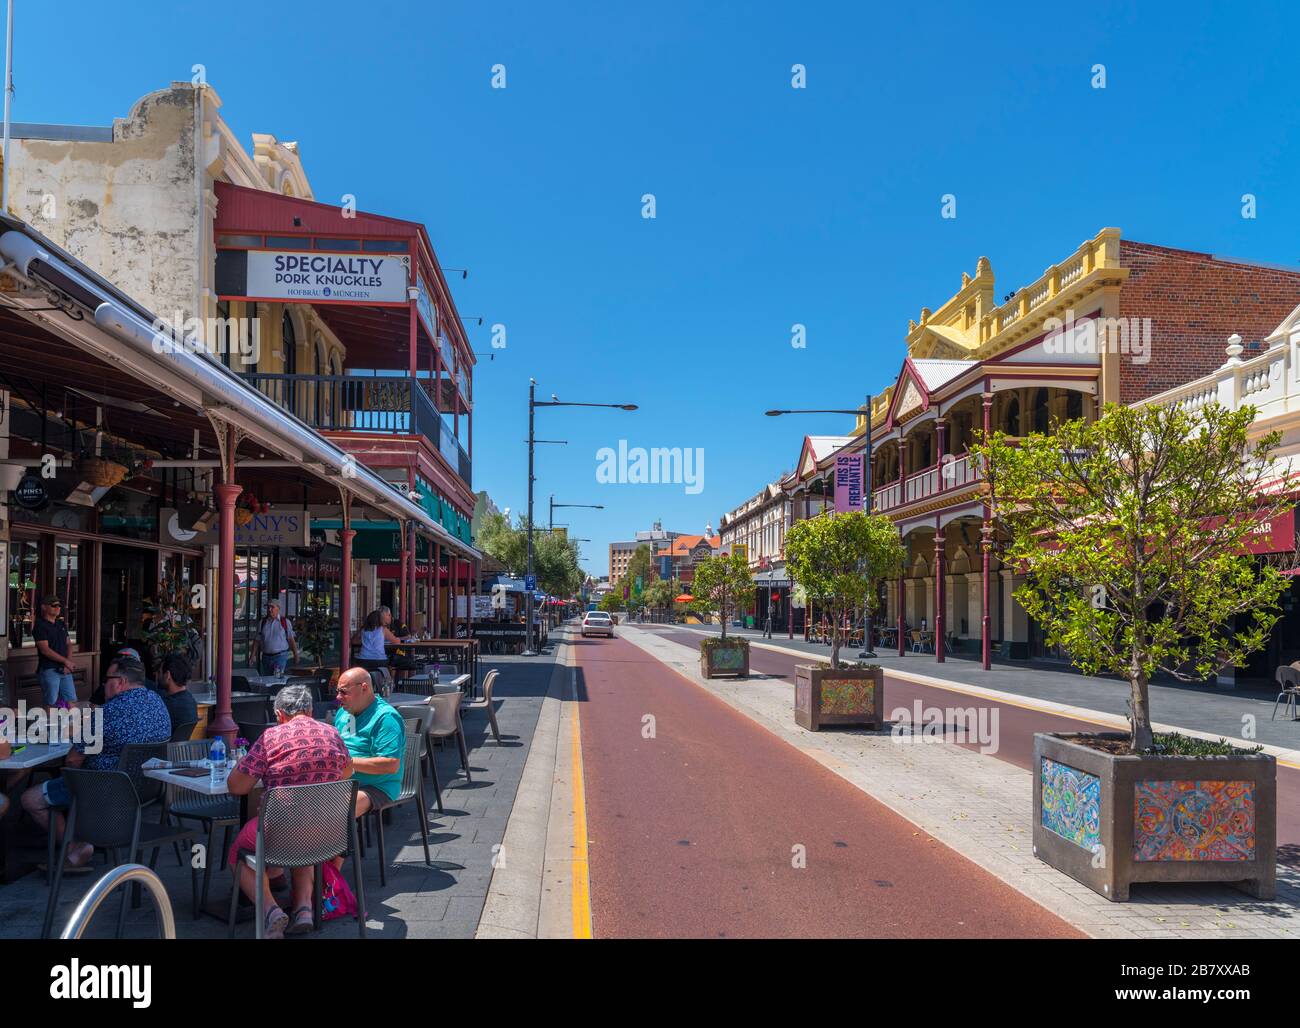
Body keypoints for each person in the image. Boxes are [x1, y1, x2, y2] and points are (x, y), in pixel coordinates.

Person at [20, 656, 170, 871]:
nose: (103, 684)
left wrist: (72, 785)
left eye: (106, 679)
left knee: (30, 799)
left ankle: (77, 848)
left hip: (104, 788)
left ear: (119, 682)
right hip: (147, 788)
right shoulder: (157, 702)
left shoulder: (108, 713)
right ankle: (85, 830)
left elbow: (73, 758)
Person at [226, 684, 352, 938]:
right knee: (302, 841)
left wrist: (245, 761)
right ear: (310, 709)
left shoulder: (271, 737)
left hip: (283, 830)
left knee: (237, 853)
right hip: (331, 833)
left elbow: (237, 787)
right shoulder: (332, 733)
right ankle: (304, 909)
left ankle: (271, 911)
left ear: (280, 715)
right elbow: (347, 773)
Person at [332, 667, 403, 832]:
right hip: (341, 780)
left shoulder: (386, 718)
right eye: (337, 691)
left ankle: (329, 857)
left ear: (364, 688)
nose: (338, 697)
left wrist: (348, 762)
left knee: (334, 812)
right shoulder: (343, 712)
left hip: (375, 786)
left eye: (343, 692)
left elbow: (390, 764)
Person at [33, 596, 77, 706]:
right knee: (51, 702)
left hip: (65, 669)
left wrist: (68, 663)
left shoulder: (60, 624)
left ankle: (71, 723)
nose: (57, 608)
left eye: (59, 605)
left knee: (71, 700)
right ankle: (49, 722)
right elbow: (45, 650)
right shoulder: (40, 626)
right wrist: (66, 662)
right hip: (49, 668)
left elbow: (69, 644)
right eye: (54, 605)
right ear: (44, 607)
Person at [253, 600, 299, 677]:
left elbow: (291, 639)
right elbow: (257, 640)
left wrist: (296, 655)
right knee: (267, 678)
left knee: (277, 678)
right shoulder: (263, 622)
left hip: (280, 656)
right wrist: (252, 655)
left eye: (272, 607)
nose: (269, 609)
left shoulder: (285, 622)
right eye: (268, 607)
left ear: (278, 608)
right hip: (266, 657)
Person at [157, 653, 198, 736]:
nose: (157, 675)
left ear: (168, 675)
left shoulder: (166, 704)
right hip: (181, 748)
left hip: (164, 748)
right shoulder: (190, 700)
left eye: (159, 672)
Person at [353, 608, 401, 674]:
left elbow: (354, 641)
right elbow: (396, 642)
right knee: (391, 664)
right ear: (380, 619)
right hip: (379, 660)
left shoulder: (363, 629)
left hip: (363, 659)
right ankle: (387, 681)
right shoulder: (383, 629)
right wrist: (398, 639)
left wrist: (365, 641)